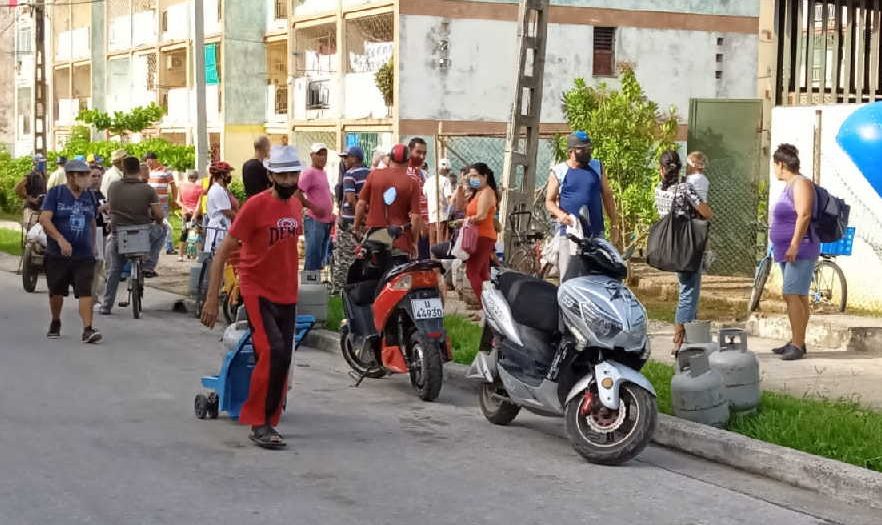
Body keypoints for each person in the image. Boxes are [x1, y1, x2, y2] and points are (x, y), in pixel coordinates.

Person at [200, 145, 308, 449]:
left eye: (293, 175)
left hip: (286, 290)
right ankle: (259, 422)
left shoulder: (295, 206)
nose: (288, 181)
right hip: (257, 289)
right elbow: (223, 252)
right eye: (283, 175)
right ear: (271, 175)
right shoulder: (254, 207)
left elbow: (289, 244)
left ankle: (270, 417)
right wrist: (212, 298)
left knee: (281, 357)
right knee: (272, 350)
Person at [653, 151, 713, 352]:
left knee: (689, 289)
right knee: (688, 292)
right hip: (687, 246)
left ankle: (689, 338)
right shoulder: (685, 188)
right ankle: (678, 341)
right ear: (679, 169)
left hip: (671, 246)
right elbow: (706, 211)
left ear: (661, 170)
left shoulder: (659, 191)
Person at [39, 159, 102, 343]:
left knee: (85, 291)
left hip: (84, 255)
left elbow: (91, 220)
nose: (86, 178)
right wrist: (60, 240)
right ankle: (56, 320)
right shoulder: (56, 194)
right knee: (57, 291)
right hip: (58, 254)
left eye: (86, 174)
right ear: (71, 176)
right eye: (81, 174)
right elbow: (44, 219)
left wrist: (93, 245)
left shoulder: (89, 196)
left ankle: (88, 329)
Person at [546, 131, 619, 278]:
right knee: (569, 277)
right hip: (570, 234)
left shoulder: (597, 167)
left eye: (588, 148)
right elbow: (549, 201)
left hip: (595, 233)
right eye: (582, 149)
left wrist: (614, 224)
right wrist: (561, 215)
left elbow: (607, 195)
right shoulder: (559, 171)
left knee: (596, 278)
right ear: (571, 152)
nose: (587, 152)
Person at [770, 144, 818, 361]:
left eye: (774, 164)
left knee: (791, 294)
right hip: (787, 250)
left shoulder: (801, 183)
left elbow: (805, 214)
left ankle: (797, 345)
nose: (774, 169)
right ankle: (797, 340)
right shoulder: (790, 184)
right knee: (799, 296)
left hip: (800, 249)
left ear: (781, 164)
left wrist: (794, 244)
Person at [100, 157, 165, 316]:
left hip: (119, 235)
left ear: (123, 169)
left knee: (115, 269)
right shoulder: (147, 189)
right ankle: (149, 264)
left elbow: (110, 208)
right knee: (162, 230)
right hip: (142, 234)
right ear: (139, 170)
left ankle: (106, 306)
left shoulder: (113, 188)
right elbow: (159, 215)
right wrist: (157, 221)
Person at [354, 144, 422, 258]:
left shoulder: (374, 175)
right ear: (408, 161)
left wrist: (356, 227)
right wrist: (414, 243)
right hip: (400, 239)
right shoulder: (412, 183)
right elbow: (416, 217)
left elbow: (360, 204)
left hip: (374, 239)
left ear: (390, 159)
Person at [457, 163, 499, 306]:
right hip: (478, 236)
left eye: (475, 176)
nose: (472, 179)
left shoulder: (487, 192)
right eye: (470, 177)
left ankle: (486, 306)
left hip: (482, 236)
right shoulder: (478, 192)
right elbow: (459, 206)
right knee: (482, 273)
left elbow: (481, 216)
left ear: (484, 176)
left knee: (472, 272)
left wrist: (467, 220)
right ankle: (491, 304)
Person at [330, 146, 370, 294]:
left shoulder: (349, 175)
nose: (344, 161)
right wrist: (367, 218)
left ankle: (340, 290)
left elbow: (351, 200)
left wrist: (360, 219)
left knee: (344, 257)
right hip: (367, 223)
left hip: (350, 222)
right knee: (362, 256)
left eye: (346, 157)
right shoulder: (370, 173)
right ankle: (359, 286)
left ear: (354, 158)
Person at [300, 143, 334, 271]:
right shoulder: (309, 173)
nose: (322, 157)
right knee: (313, 256)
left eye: (324, 154)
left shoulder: (322, 173)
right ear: (311, 155)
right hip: (314, 220)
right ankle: (309, 288)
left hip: (325, 221)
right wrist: (313, 207)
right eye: (319, 154)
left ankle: (315, 286)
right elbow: (297, 193)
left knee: (320, 258)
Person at [144, 152, 178, 255]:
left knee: (164, 223)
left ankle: (169, 246)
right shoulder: (147, 171)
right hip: (149, 203)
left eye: (148, 160)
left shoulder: (165, 171)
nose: (147, 163)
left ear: (153, 160)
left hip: (162, 203)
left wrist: (175, 199)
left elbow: (173, 186)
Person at [204, 162, 237, 254]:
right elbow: (227, 211)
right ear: (222, 175)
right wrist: (241, 219)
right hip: (218, 230)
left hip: (222, 228)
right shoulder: (217, 190)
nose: (230, 176)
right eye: (228, 173)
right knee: (216, 258)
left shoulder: (222, 189)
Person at [89, 163, 109, 305]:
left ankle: (94, 293)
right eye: (93, 176)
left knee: (99, 263)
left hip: (102, 230)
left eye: (99, 176)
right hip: (92, 231)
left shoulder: (100, 193)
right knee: (95, 264)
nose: (96, 179)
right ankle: (92, 296)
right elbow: (90, 213)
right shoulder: (86, 194)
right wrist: (104, 208)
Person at [424, 158, 454, 246]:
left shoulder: (428, 181)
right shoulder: (446, 180)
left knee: (433, 244)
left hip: (431, 217)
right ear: (447, 170)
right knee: (442, 244)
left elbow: (425, 195)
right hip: (443, 216)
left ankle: (433, 259)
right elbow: (449, 198)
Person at [176, 169, 204, 261]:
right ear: (196, 178)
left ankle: (180, 256)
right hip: (197, 213)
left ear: (188, 177)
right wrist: (194, 214)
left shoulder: (181, 186)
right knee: (197, 233)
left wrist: (186, 208)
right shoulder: (200, 188)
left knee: (184, 233)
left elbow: (178, 201)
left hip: (185, 213)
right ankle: (197, 255)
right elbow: (199, 204)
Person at [17, 154, 48, 231]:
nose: (43, 164)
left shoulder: (43, 176)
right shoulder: (30, 175)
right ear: (35, 163)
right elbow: (18, 188)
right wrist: (30, 199)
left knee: (40, 233)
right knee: (31, 231)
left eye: (43, 163)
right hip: (30, 209)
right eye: (41, 163)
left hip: (40, 209)